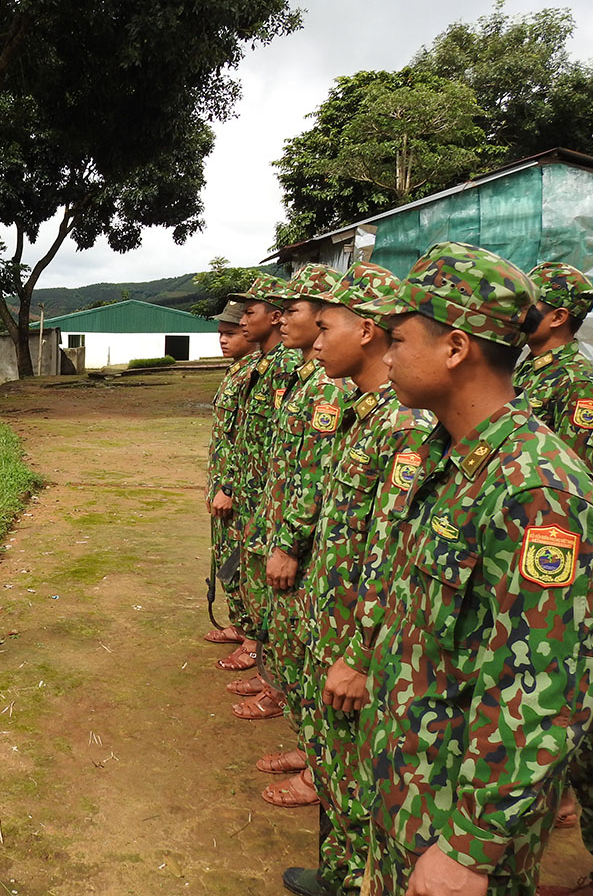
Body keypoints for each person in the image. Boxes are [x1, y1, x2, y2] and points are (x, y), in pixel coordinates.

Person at [353, 242, 593, 896]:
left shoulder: (537, 490)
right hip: (411, 792)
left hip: (457, 829)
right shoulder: (452, 455)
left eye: (398, 339)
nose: (386, 356)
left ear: (456, 348)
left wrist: (468, 850)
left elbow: (544, 691)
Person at [282, 262, 436, 896]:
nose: (317, 342)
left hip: (358, 641)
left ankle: (349, 881)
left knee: (355, 785)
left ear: (366, 332)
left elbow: (391, 555)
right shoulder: (368, 413)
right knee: (338, 774)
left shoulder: (405, 427)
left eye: (327, 328)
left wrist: (359, 652)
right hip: (336, 626)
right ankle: (339, 874)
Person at [240, 263, 346, 809]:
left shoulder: (330, 388)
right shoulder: (307, 378)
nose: (282, 319)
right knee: (292, 645)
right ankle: (310, 752)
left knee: (309, 654)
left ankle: (318, 765)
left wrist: (289, 542)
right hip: (285, 528)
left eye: (295, 311)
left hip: (309, 548)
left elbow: (316, 475)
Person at [212, 275, 300, 673]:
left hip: (263, 495)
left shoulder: (287, 367)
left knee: (255, 572)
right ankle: (247, 631)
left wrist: (233, 488)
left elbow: (276, 444)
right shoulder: (261, 367)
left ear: (275, 316)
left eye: (249, 314)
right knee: (238, 566)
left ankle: (257, 647)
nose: (242, 322)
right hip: (246, 489)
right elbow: (244, 436)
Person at [513, 262, 593, 484]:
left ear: (557, 318)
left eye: (528, 305)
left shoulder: (580, 384)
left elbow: (575, 476)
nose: (517, 314)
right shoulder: (529, 368)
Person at [204, 300, 259, 646]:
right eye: (220, 334)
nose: (223, 340)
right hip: (224, 485)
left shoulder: (255, 374)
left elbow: (248, 441)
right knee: (226, 558)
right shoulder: (237, 370)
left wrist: (229, 487)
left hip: (238, 489)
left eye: (230, 333)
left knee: (241, 563)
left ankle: (252, 637)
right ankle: (239, 624)